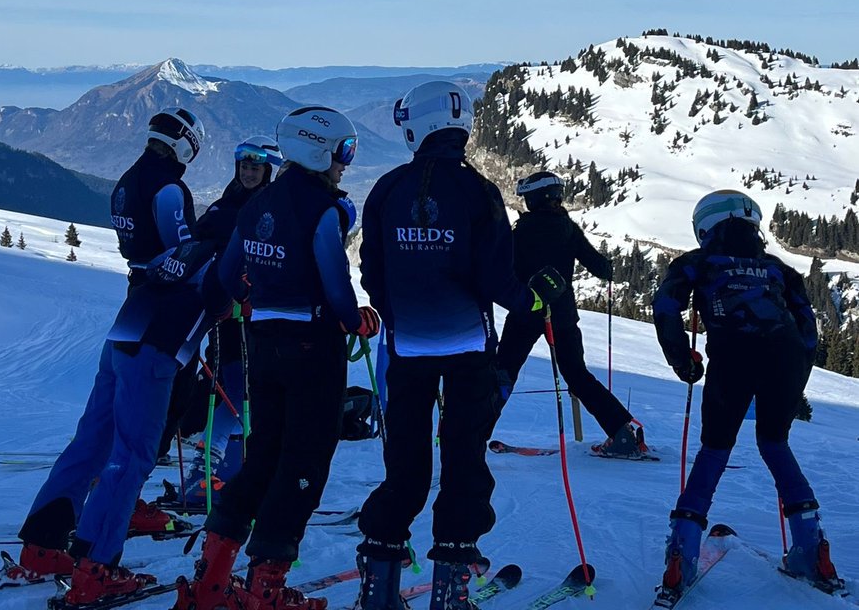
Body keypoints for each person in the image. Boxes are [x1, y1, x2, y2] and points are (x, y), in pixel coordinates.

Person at [354, 81, 565, 610]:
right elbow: (497, 279)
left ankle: (379, 586)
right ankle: (450, 589)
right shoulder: (480, 192)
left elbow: (372, 272)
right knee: (463, 459)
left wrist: (399, 306)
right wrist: (534, 300)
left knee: (405, 461)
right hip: (469, 349)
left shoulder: (386, 188)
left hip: (406, 350)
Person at [12, 107, 224, 607]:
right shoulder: (170, 188)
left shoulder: (127, 180)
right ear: (186, 144)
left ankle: (43, 545)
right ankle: (96, 567)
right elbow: (184, 256)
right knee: (132, 453)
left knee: (92, 439)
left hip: (130, 314)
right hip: (161, 319)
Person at [175, 106, 380, 610]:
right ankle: (265, 588)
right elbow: (336, 286)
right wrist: (358, 321)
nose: (346, 164)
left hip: (260, 344)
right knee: (303, 463)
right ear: (321, 150)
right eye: (344, 152)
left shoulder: (257, 203)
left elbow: (224, 279)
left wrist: (257, 292)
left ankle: (211, 579)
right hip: (312, 347)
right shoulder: (324, 210)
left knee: (261, 455)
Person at [652, 189, 841, 603]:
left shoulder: (696, 262)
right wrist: (797, 379)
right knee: (775, 444)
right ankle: (812, 550)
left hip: (732, 360)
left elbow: (665, 306)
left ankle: (681, 556)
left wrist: (682, 360)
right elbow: (807, 328)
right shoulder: (776, 267)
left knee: (714, 452)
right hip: (786, 359)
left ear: (706, 226)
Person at [494, 170, 649, 458]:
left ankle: (473, 432)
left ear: (535, 199)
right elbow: (601, 268)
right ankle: (621, 431)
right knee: (577, 375)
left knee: (503, 371)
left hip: (526, 312)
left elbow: (502, 271)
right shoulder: (568, 228)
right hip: (563, 315)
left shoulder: (521, 232)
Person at [179, 138, 282, 506]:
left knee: (245, 391)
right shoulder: (228, 209)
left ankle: (231, 468)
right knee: (236, 391)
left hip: (259, 316)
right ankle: (202, 474)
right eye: (245, 166)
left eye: (256, 167)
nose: (249, 172)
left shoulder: (266, 207)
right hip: (232, 316)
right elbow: (199, 252)